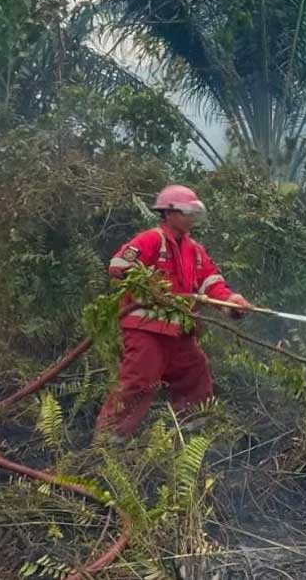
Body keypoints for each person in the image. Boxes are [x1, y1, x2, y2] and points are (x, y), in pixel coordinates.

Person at [95, 185, 251, 440]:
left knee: (194, 372)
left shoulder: (195, 250)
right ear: (168, 213)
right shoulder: (151, 239)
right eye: (186, 211)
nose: (191, 218)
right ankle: (108, 444)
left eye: (194, 212)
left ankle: (194, 438)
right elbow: (118, 266)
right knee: (139, 383)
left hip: (179, 332)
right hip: (147, 330)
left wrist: (232, 302)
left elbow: (211, 284)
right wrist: (150, 287)